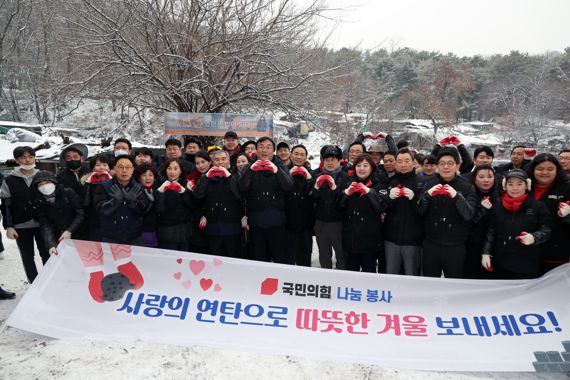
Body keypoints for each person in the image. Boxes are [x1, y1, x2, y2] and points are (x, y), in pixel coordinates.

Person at [417, 147, 477, 278]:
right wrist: (427, 196)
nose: (446, 167)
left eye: (450, 163)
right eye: (442, 163)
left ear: (457, 165)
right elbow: (419, 211)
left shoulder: (467, 186)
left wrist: (457, 196)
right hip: (431, 244)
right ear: (437, 166)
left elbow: (468, 214)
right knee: (430, 282)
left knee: (454, 283)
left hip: (455, 246)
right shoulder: (429, 184)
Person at [481, 169, 552, 279]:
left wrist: (534, 237)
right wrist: (486, 253)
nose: (515, 188)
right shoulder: (497, 208)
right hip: (501, 263)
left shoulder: (537, 206)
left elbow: (547, 229)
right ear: (505, 186)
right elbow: (491, 232)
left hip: (527, 264)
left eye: (519, 184)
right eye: (510, 184)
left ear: (526, 186)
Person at [238, 137, 293, 263]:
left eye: (268, 147)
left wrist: (276, 171)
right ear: (256, 150)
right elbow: (242, 187)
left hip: (277, 221)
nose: (264, 150)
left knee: (280, 258)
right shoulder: (250, 166)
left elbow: (288, 186)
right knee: (259, 258)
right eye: (261, 147)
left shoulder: (280, 166)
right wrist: (251, 171)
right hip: (256, 222)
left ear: (273, 150)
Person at [0, 146, 50, 283]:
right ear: (17, 160)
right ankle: (34, 284)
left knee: (47, 254)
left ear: (35, 158)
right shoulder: (9, 180)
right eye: (23, 157)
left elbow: (52, 200)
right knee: (28, 257)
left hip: (43, 223)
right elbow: (6, 204)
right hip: (21, 225)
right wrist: (9, 226)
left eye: (30, 157)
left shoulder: (43, 176)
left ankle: (49, 281)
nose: (27, 160)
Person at [338, 154, 386, 273]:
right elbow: (338, 206)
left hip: (370, 242)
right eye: (358, 165)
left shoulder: (379, 185)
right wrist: (346, 193)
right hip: (351, 241)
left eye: (365, 165)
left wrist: (369, 192)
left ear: (371, 168)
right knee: (350, 274)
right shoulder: (348, 183)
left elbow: (380, 207)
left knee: (368, 274)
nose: (361, 168)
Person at [193, 150, 244, 257]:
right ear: (212, 162)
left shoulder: (236, 177)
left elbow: (239, 197)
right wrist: (206, 177)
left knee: (233, 258)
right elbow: (197, 197)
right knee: (215, 261)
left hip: (232, 227)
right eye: (217, 160)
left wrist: (228, 177)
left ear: (229, 161)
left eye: (223, 159)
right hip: (213, 227)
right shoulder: (207, 178)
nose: (220, 162)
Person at [383, 148, 425, 276]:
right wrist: (389, 198)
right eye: (399, 161)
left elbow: (424, 210)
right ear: (395, 164)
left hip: (413, 241)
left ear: (413, 162)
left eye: (407, 161)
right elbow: (382, 208)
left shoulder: (422, 182)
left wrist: (414, 198)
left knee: (412, 275)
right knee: (391, 274)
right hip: (391, 239)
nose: (403, 164)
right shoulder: (390, 182)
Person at [526, 153, 570, 275]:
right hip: (525, 248)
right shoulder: (523, 187)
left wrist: (567, 215)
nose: (545, 172)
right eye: (540, 169)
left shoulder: (566, 188)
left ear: (557, 170)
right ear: (533, 169)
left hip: (555, 249)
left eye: (550, 169)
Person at [93, 155, 152, 244]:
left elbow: (144, 211)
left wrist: (133, 202)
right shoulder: (104, 186)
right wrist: (114, 202)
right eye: (120, 167)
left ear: (132, 170)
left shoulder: (139, 187)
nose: (124, 170)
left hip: (134, 237)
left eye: (128, 167)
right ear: (114, 169)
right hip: (110, 237)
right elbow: (99, 209)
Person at [311, 145, 348, 269]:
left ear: (339, 160)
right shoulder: (316, 174)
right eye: (327, 160)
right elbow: (310, 199)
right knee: (324, 255)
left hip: (338, 222)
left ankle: (341, 279)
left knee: (341, 254)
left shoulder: (345, 176)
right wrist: (316, 188)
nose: (330, 163)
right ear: (322, 160)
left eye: (333, 159)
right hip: (321, 222)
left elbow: (344, 201)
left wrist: (335, 188)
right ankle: (326, 280)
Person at [32, 171, 84, 256]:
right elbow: (46, 225)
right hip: (60, 239)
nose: (44, 186)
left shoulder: (68, 193)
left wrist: (69, 230)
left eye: (47, 182)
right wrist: (51, 245)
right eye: (40, 184)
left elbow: (80, 214)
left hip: (79, 236)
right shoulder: (39, 201)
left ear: (54, 182)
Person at [464, 165, 498, 279]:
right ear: (474, 179)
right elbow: (468, 223)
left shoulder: (499, 195)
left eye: (489, 176)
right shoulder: (469, 195)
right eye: (481, 177)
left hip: (492, 246)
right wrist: (482, 210)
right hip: (471, 247)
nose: (486, 180)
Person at [284, 144, 315, 266]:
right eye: (296, 154)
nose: (298, 157)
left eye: (302, 155)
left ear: (306, 157)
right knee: (288, 258)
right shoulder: (283, 171)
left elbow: (314, 196)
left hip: (306, 224)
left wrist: (309, 179)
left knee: (305, 258)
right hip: (287, 224)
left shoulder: (311, 174)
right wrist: (287, 176)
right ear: (291, 154)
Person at [155, 158, 193, 251]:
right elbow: (159, 209)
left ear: (180, 171)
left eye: (176, 169)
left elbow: (192, 205)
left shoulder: (187, 184)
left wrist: (184, 192)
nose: (172, 172)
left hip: (184, 231)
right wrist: (160, 192)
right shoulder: (159, 184)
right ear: (165, 170)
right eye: (169, 168)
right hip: (167, 231)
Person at [81, 154, 113, 241]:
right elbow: (85, 202)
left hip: (111, 219)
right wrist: (88, 184)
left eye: (105, 165)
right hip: (94, 219)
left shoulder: (116, 181)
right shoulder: (86, 182)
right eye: (98, 165)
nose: (101, 167)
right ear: (92, 168)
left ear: (109, 168)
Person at [186, 151, 211, 254]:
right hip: (196, 219)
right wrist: (190, 191)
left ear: (210, 162)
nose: (200, 165)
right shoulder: (191, 178)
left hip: (211, 219)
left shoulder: (216, 175)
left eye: (203, 162)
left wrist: (207, 214)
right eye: (197, 163)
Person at [135, 164, 159, 248]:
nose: (148, 178)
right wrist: (150, 202)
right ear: (139, 177)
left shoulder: (158, 190)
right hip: (143, 231)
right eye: (144, 175)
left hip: (156, 230)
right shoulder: (135, 191)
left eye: (150, 175)